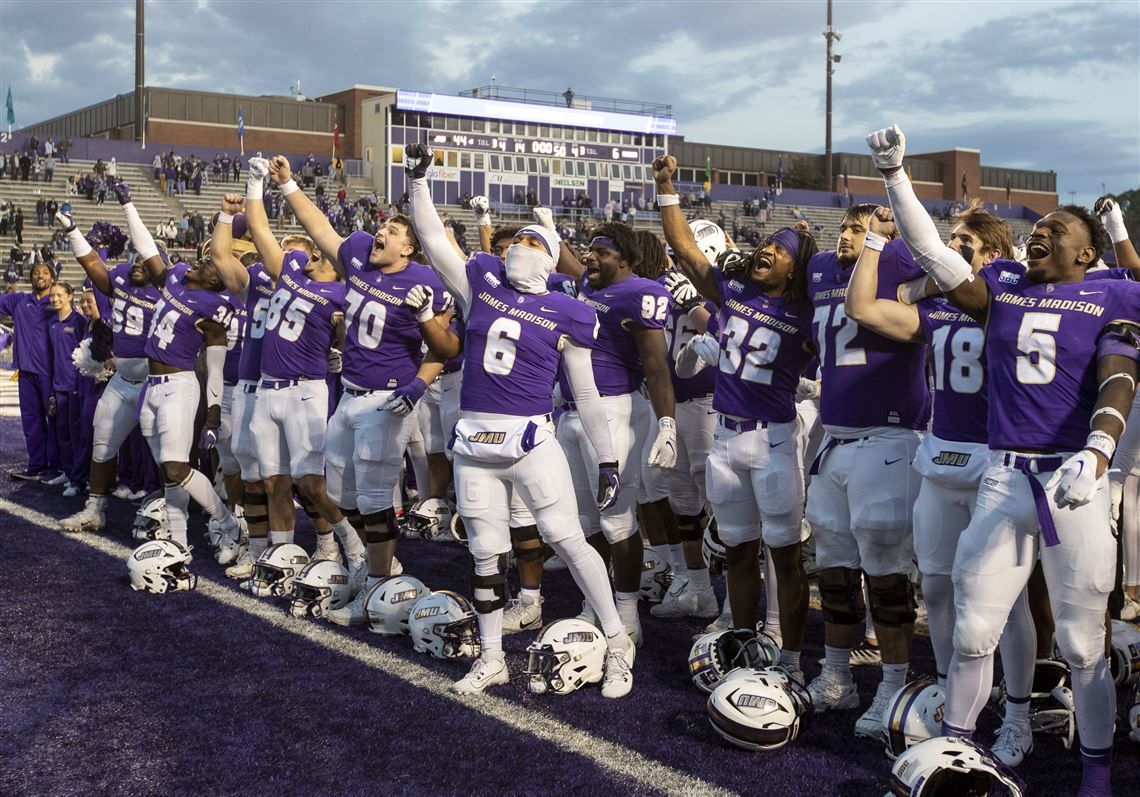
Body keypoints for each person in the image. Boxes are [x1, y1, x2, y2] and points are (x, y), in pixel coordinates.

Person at [868, 124, 1140, 797]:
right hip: (1002, 474)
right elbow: (933, 253)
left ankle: (1097, 774)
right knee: (971, 629)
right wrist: (895, 175)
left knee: (1081, 645)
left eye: (1056, 226)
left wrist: (1099, 450)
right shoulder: (1004, 285)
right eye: (1038, 223)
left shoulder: (1112, 293)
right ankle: (954, 756)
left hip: (1073, 481)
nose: (1040, 230)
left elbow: (1118, 375)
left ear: (1086, 253)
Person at [407, 142, 637, 697]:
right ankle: (491, 658)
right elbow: (436, 241)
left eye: (532, 241)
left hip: (532, 440)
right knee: (485, 555)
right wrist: (418, 183)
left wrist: (607, 459)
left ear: (553, 255)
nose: (518, 246)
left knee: (566, 538)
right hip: (473, 445)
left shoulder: (569, 309)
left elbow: (584, 390)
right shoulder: (482, 285)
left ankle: (618, 642)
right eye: (516, 240)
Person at [843, 201, 1037, 764]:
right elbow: (863, 307)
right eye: (947, 237)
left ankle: (1019, 715)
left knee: (1008, 601)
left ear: (994, 253)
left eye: (963, 239)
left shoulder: (1004, 292)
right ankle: (958, 702)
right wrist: (885, 252)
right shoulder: (942, 306)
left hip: (995, 459)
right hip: (940, 455)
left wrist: (957, 276)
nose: (950, 245)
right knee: (938, 589)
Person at [266, 154, 451, 624]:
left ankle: (375, 586)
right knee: (342, 495)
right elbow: (323, 229)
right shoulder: (360, 260)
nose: (381, 233)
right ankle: (373, 569)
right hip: (348, 394)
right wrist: (288, 186)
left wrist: (417, 384)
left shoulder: (426, 280)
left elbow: (443, 347)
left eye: (392, 231)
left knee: (373, 499)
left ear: (409, 248)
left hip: (387, 400)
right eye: (382, 226)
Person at [658, 155, 818, 677]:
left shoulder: (806, 313)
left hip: (772, 442)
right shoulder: (736, 291)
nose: (767, 249)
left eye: (781, 249)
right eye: (767, 243)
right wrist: (667, 190)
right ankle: (748, 649)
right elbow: (684, 250)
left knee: (786, 557)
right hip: (725, 441)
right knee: (738, 552)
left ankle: (791, 662)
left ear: (797, 268)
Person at [802, 199, 931, 739]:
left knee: (886, 572)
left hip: (889, 435)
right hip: (835, 438)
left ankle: (893, 684)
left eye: (860, 228)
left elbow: (943, 271)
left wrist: (893, 227)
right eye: (845, 227)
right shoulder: (820, 271)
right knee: (832, 566)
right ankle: (836, 675)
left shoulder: (903, 260)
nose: (846, 236)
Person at [113, 181, 243, 560]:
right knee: (167, 473)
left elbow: (215, 367)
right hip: (152, 386)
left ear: (218, 278)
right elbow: (148, 249)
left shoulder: (215, 308)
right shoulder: (177, 277)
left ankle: (225, 522)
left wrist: (214, 415)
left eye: (210, 264)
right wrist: (128, 206)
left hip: (179, 386)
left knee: (177, 466)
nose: (202, 261)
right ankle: (180, 539)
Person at [0, 261, 59, 480]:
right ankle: (37, 465)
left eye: (45, 272)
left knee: (54, 420)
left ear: (52, 278)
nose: (40, 276)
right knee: (31, 420)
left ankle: (57, 466)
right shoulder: (19, 300)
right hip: (25, 372)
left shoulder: (57, 302)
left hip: (50, 373)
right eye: (36, 273)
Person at [46, 281, 88, 495]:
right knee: (61, 430)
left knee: (76, 433)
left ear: (70, 296)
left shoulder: (79, 321)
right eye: (52, 296)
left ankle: (78, 479)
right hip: (58, 384)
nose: (55, 299)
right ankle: (67, 469)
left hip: (75, 385)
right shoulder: (52, 322)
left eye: (59, 295)